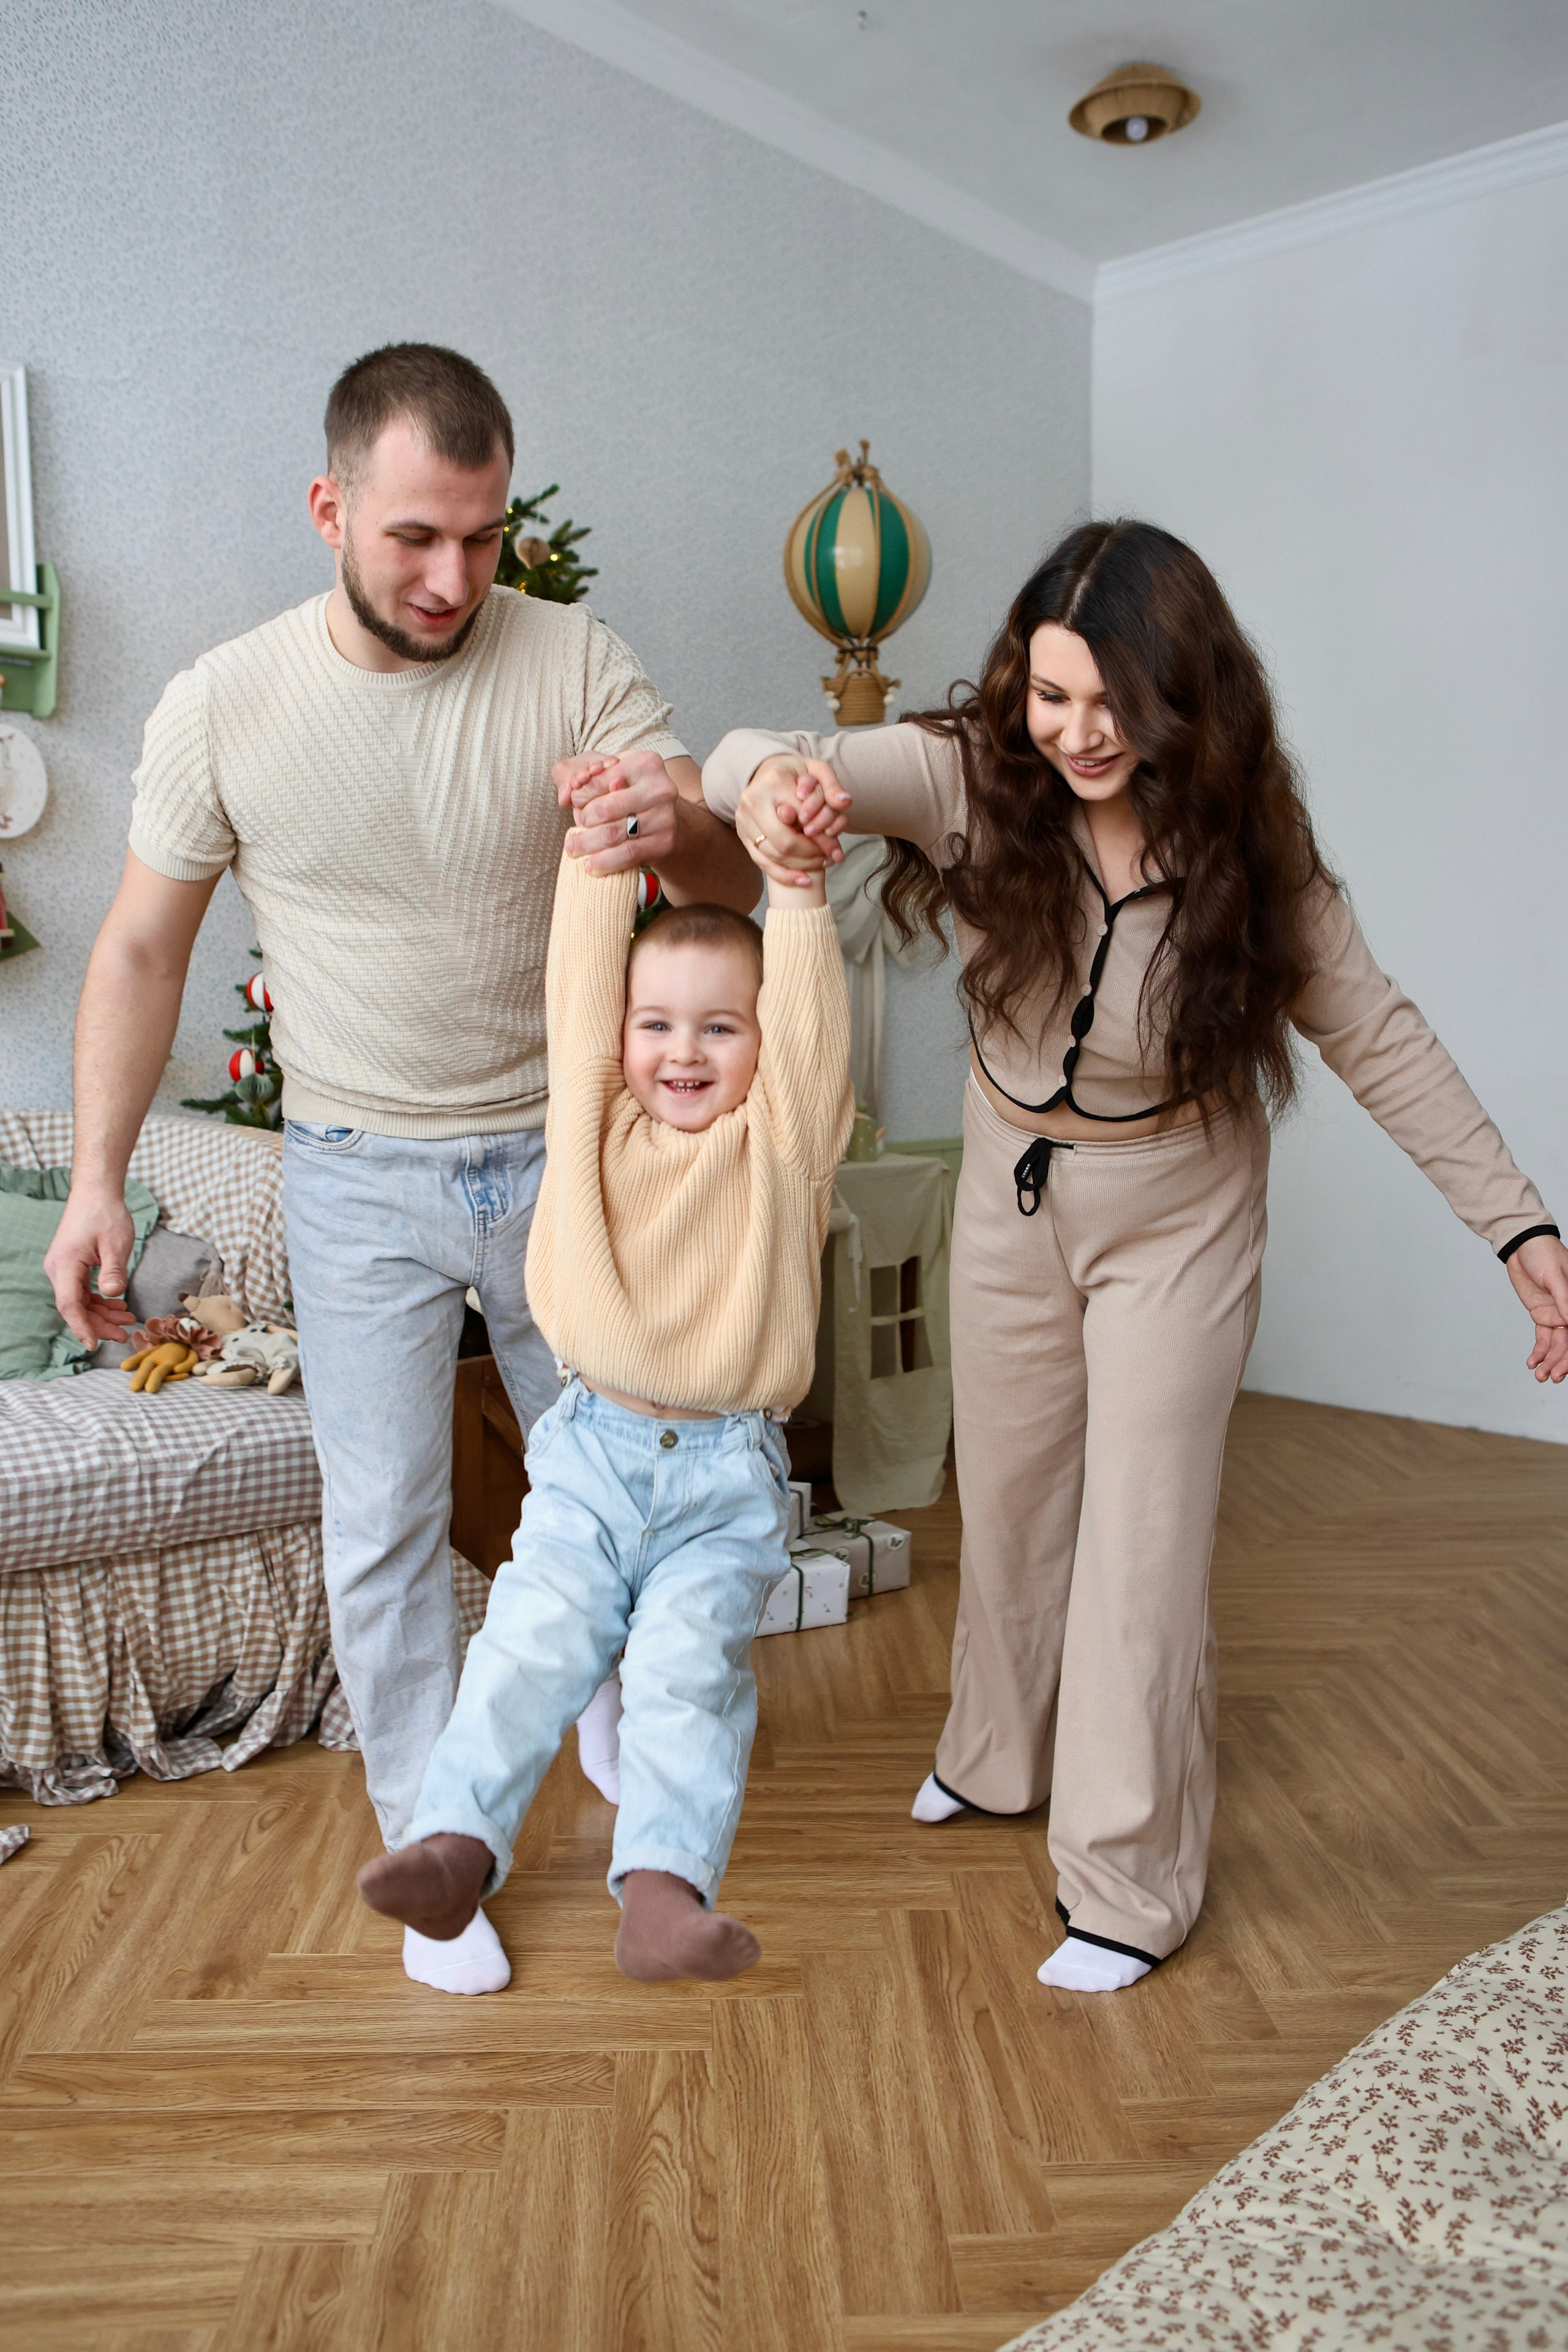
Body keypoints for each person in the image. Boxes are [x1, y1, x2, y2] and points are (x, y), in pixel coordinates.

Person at [703, 519, 1568, 1994]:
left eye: (1114, 703)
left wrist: (1515, 1220)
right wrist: (776, 790)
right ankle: (995, 1757)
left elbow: (1373, 1028)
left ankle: (1127, 1882)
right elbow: (741, 757)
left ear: (1185, 696)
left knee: (1142, 1543)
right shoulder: (969, 774)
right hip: (1012, 1192)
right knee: (1013, 1497)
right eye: (1051, 696)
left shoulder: (1248, 843)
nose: (1078, 733)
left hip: (1179, 1205)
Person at [43, 342, 756, 1997]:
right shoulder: (225, 701)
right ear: (329, 508)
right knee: (382, 1527)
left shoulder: (575, 661)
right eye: (415, 537)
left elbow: (723, 888)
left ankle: (610, 1715)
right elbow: (140, 950)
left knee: (636, 1477)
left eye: (484, 539)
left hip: (572, 1152)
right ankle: (444, 1858)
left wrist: (674, 823)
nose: (453, 579)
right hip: (355, 1169)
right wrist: (94, 1178)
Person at [355, 777, 852, 1981]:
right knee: (526, 1651)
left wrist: (794, 888)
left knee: (686, 1679)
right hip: (588, 1455)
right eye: (658, 1025)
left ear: (760, 1045)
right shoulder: (591, 1122)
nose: (683, 1051)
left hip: (724, 1478)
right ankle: (454, 1847)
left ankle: (663, 1895)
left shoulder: (780, 1145)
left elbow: (809, 1037)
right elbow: (580, 994)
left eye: (720, 1029)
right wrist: (595, 860)